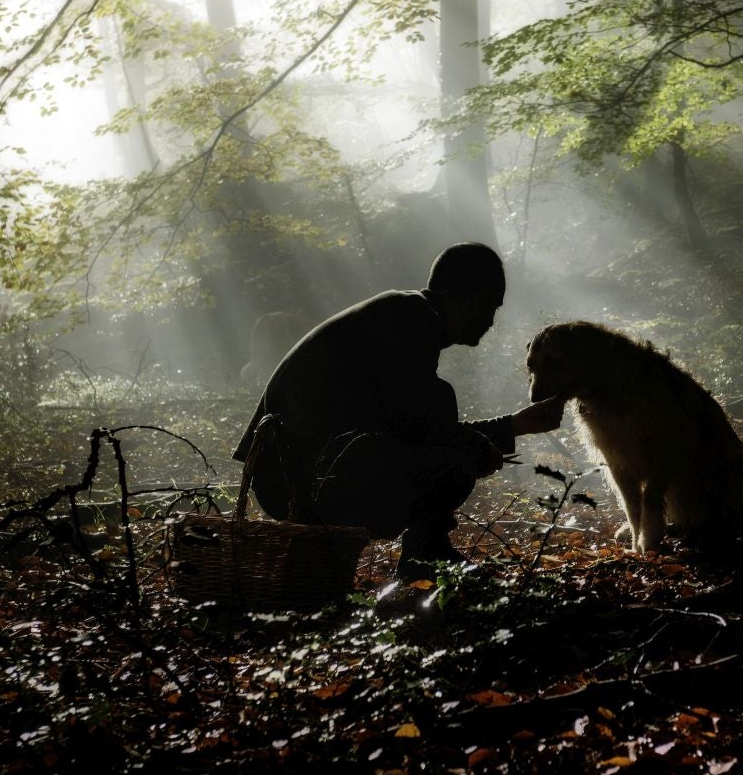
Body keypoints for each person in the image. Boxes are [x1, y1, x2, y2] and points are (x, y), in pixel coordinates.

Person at [231, 243, 564, 574]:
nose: (491, 320)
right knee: (455, 459)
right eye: (492, 305)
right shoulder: (408, 320)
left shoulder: (404, 315)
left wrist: (515, 425)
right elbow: (423, 429)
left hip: (300, 471)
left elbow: (417, 424)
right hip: (294, 480)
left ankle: (406, 557)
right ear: (475, 299)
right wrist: (478, 448)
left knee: (445, 422)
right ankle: (426, 560)